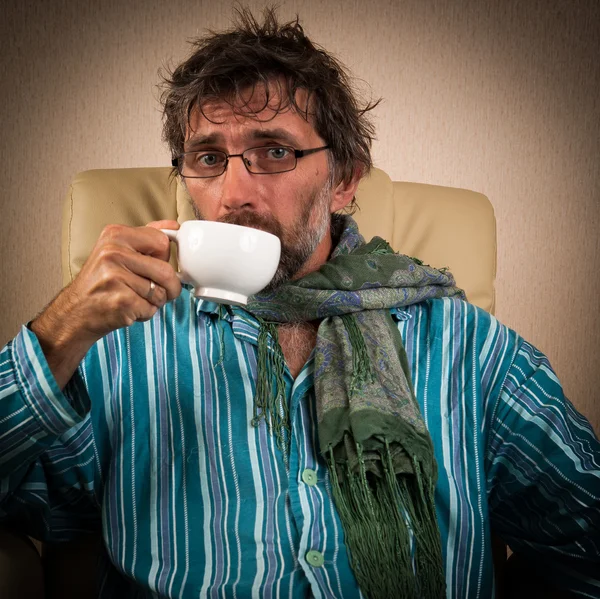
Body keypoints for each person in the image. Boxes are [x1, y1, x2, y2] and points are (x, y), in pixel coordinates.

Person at [0, 7, 598, 599]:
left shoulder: (470, 349)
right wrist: (58, 333)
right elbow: (24, 505)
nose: (233, 194)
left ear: (343, 179)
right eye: (208, 159)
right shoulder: (120, 343)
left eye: (275, 152)